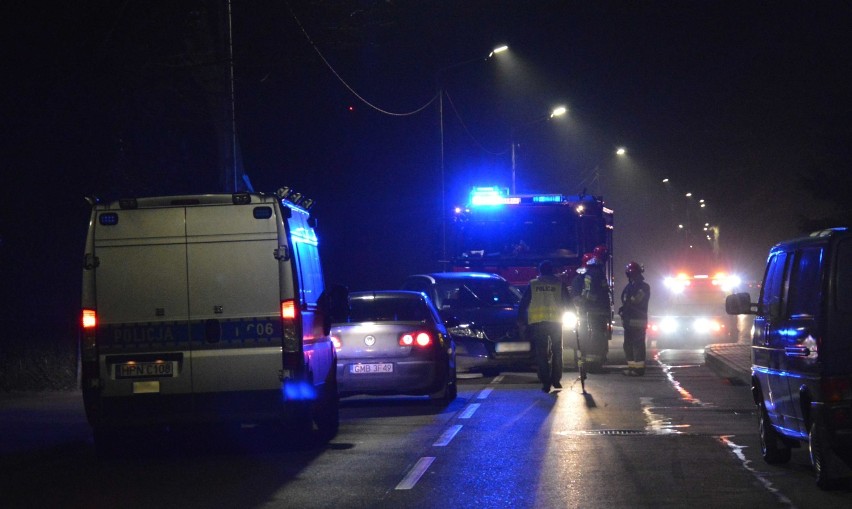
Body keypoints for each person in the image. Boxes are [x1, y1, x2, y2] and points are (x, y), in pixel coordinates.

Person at [519, 260, 570, 392]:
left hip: (538, 323)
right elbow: (568, 302)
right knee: (557, 351)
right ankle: (556, 380)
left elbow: (523, 303)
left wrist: (521, 320)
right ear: (552, 271)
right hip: (556, 322)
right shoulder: (559, 284)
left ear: (540, 271)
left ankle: (545, 382)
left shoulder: (533, 284)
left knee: (541, 353)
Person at [577, 255, 611, 371]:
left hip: (591, 310)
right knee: (598, 335)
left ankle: (591, 362)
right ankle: (595, 363)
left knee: (593, 335)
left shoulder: (589, 275)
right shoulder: (599, 275)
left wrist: (583, 300)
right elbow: (604, 292)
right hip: (599, 310)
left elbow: (587, 291)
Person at [619, 261, 650, 376]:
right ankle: (632, 368)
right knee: (628, 345)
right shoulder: (630, 286)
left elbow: (637, 300)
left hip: (638, 321)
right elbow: (627, 300)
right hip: (629, 320)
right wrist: (623, 309)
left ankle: (639, 369)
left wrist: (627, 305)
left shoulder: (644, 287)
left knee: (637, 344)